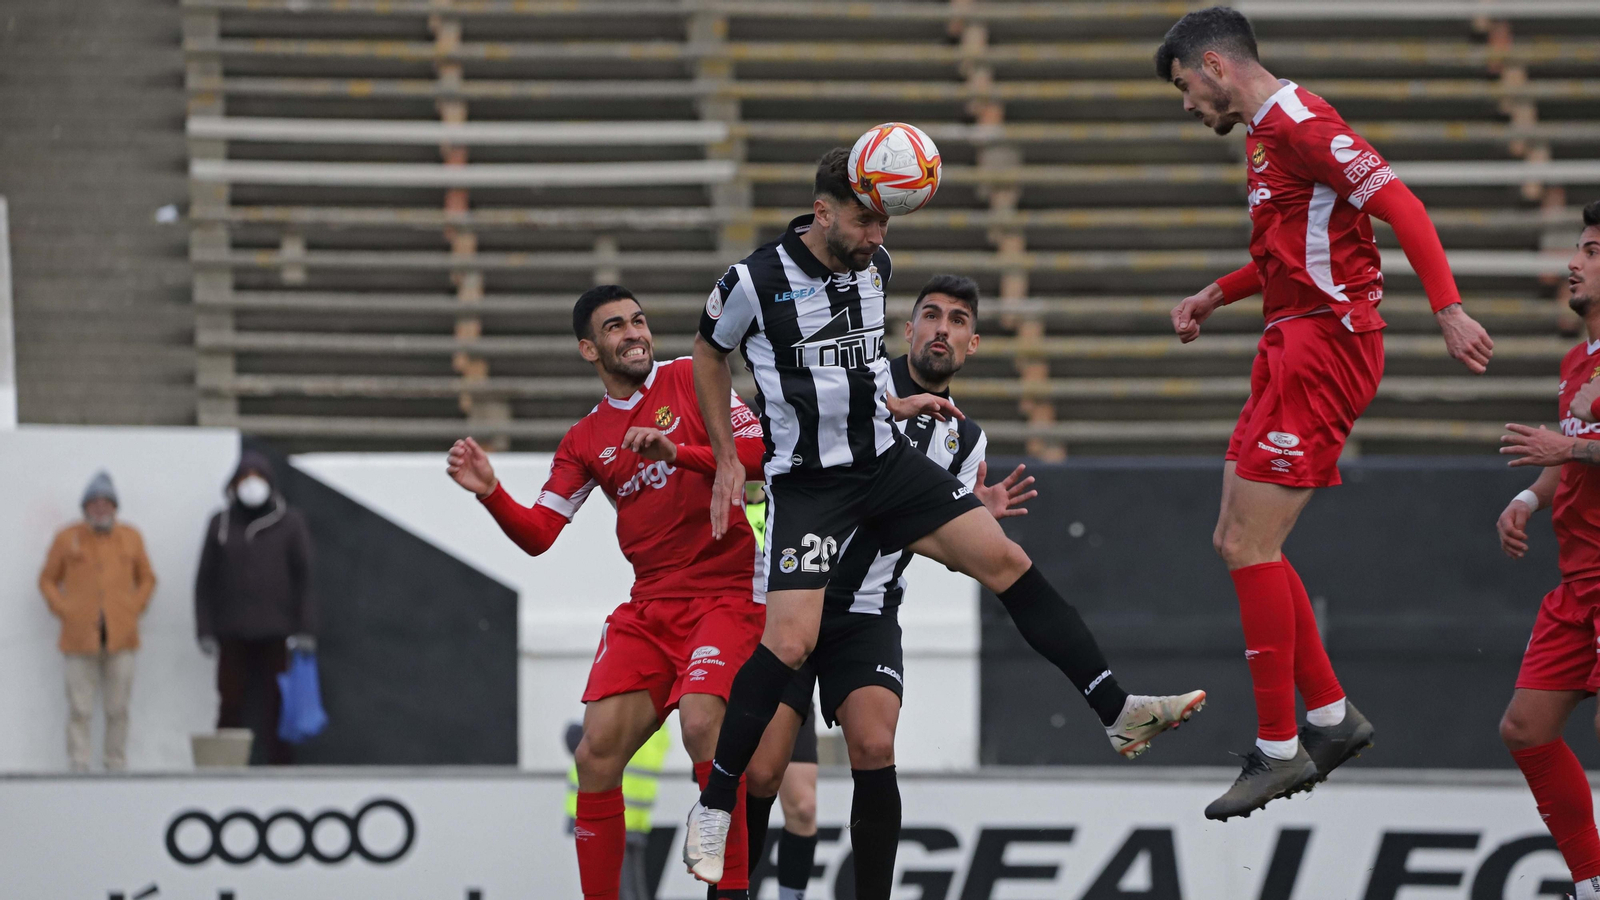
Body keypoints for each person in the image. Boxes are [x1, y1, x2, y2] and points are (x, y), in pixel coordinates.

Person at [684, 150, 1206, 890]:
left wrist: (893, 405)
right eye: (866, 219)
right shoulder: (751, 281)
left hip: (882, 466)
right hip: (811, 485)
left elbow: (860, 367)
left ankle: (1118, 711)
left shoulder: (875, 266)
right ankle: (712, 807)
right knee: (791, 642)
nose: (877, 236)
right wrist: (726, 457)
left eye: (885, 222)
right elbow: (708, 354)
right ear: (823, 211)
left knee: (1004, 560)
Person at [1155, 7, 1497, 820]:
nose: (1185, 105)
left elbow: (1402, 206)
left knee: (1249, 543)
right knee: (1238, 541)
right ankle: (1332, 718)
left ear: (1214, 66)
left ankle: (1282, 748)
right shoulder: (1266, 135)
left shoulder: (1305, 124)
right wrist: (1216, 292)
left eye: (1183, 88)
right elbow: (1288, 247)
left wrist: (1448, 309)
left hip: (1326, 347)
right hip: (1288, 342)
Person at [445, 284, 794, 900]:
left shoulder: (691, 377)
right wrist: (490, 491)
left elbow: (763, 453)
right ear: (589, 348)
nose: (633, 333)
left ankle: (730, 888)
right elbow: (539, 535)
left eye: (638, 322)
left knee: (700, 723)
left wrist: (680, 451)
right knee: (595, 756)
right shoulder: (584, 440)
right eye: (615, 327)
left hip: (727, 590)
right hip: (650, 606)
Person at [1495, 200, 1600, 900]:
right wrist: (1529, 498)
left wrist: (1574, 446)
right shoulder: (1576, 359)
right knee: (1526, 728)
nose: (1574, 262)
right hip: (1578, 580)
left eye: (1591, 250)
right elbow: (1570, 458)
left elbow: (1578, 448)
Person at [195, 451, 317, 765]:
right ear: (234, 485)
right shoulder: (219, 523)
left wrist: (306, 628)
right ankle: (224, 766)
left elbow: (305, 579)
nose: (251, 485)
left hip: (277, 632)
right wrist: (205, 631)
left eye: (258, 478)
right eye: (244, 478)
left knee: (278, 705)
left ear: (270, 484)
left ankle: (281, 769)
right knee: (230, 702)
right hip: (231, 631)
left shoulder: (290, 521)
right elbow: (204, 582)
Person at [38, 470, 156, 772]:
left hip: (122, 637)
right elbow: (47, 579)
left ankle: (115, 764)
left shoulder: (131, 537)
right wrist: (64, 609)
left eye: (106, 503)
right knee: (80, 708)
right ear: (85, 507)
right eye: (94, 503)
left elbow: (147, 579)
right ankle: (78, 764)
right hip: (79, 638)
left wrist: (133, 607)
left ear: (115, 507)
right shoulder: (68, 538)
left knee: (118, 708)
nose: (100, 508)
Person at [741, 485, 819, 900]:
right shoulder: (722, 501)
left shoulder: (792, 499)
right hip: (736, 660)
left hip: (788, 660)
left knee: (803, 807)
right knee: (742, 797)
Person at [563, 722, 670, 900]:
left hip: (602, 810)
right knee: (630, 887)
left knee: (615, 888)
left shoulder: (625, 713)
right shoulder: (657, 725)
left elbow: (583, 741)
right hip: (631, 816)